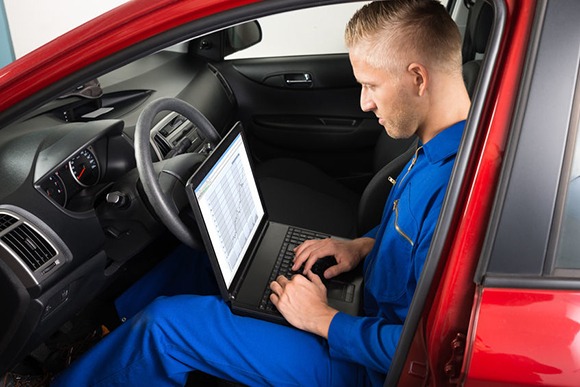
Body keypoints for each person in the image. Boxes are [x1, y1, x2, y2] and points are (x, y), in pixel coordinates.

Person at [52, 1, 471, 385]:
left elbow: (428, 351)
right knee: (201, 258)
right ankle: (108, 333)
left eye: (371, 86)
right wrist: (362, 246)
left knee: (165, 327)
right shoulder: (443, 147)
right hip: (362, 309)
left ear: (417, 77)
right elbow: (410, 240)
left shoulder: (459, 190)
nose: (364, 103)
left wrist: (322, 320)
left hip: (367, 366)